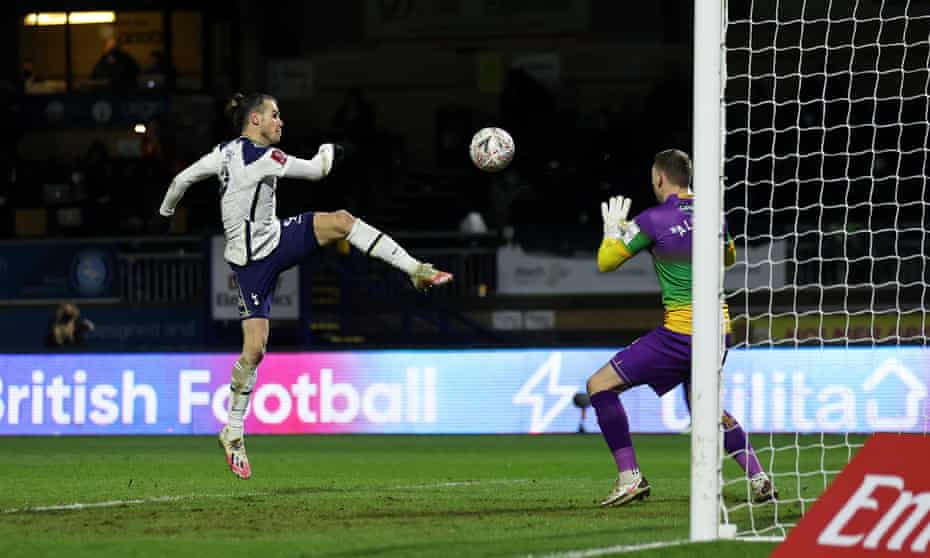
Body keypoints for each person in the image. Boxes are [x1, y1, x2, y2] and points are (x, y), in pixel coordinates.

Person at [158, 92, 453, 480]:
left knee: (342, 221)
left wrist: (165, 211)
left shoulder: (224, 152)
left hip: (275, 240)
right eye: (275, 116)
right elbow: (317, 170)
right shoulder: (265, 157)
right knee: (255, 349)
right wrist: (335, 148)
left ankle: (415, 268)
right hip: (250, 266)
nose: (281, 122)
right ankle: (232, 430)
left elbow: (182, 179)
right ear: (255, 122)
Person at [588, 149, 776, 507]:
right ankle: (758, 477)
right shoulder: (713, 214)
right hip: (719, 329)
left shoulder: (653, 219)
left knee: (599, 386)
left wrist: (613, 233)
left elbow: (605, 262)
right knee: (705, 407)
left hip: (682, 334)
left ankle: (630, 477)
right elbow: (729, 258)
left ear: (659, 178)